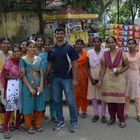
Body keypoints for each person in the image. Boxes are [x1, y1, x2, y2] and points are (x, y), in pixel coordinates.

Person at [46, 27, 78, 133]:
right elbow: (50, 64)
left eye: (61, 33)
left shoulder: (70, 48)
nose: (59, 35)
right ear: (55, 35)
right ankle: (60, 121)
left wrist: (75, 79)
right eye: (57, 33)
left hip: (68, 79)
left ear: (64, 35)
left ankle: (74, 122)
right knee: (57, 101)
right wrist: (46, 76)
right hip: (55, 79)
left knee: (70, 101)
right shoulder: (51, 49)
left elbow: (74, 64)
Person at [97, 36, 129, 128]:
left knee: (120, 101)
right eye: (109, 42)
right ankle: (112, 118)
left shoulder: (121, 53)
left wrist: (120, 71)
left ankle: (121, 119)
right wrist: (100, 80)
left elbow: (127, 66)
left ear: (116, 43)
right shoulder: (105, 54)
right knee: (110, 101)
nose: (111, 44)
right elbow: (103, 69)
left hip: (119, 79)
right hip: (108, 79)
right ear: (107, 44)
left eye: (112, 42)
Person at [20, 40, 45, 134]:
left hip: (38, 87)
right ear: (26, 48)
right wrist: (30, 88)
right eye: (30, 46)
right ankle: (29, 125)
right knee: (28, 107)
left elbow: (41, 73)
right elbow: (23, 75)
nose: (32, 48)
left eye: (34, 46)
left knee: (39, 106)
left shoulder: (38, 59)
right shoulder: (22, 60)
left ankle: (37, 124)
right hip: (27, 87)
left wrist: (41, 85)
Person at [1, 46, 22, 139]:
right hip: (12, 87)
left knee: (19, 107)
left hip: (21, 86)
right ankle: (5, 129)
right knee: (9, 108)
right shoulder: (9, 61)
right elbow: (4, 75)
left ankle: (17, 125)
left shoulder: (22, 61)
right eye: (15, 51)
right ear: (12, 52)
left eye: (18, 51)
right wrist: (15, 77)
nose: (17, 53)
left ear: (21, 52)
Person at [36, 36, 57, 122]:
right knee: (42, 98)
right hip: (42, 79)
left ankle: (53, 115)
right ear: (44, 46)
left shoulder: (54, 54)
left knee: (53, 97)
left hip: (53, 78)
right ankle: (41, 114)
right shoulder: (40, 55)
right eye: (46, 45)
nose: (47, 46)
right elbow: (38, 68)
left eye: (49, 44)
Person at [87, 37, 107, 123]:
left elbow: (105, 65)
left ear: (100, 43)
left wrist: (100, 79)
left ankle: (103, 114)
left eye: (98, 41)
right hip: (92, 74)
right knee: (93, 96)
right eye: (95, 41)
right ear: (93, 43)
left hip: (102, 75)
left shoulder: (105, 52)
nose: (96, 43)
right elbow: (87, 66)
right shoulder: (89, 52)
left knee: (103, 95)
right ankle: (96, 114)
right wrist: (91, 78)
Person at [124, 39, 140, 122]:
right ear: (127, 45)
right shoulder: (125, 54)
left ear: (135, 44)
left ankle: (138, 114)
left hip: (136, 75)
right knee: (127, 96)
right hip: (127, 75)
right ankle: (125, 113)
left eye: (132, 43)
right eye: (129, 43)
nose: (130, 45)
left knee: (137, 97)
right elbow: (123, 65)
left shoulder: (139, 54)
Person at [0, 38, 13, 132]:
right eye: (4, 43)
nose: (6, 45)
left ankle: (11, 121)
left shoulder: (12, 54)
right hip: (0, 82)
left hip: (11, 81)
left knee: (11, 101)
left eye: (8, 43)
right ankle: (2, 122)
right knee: (1, 102)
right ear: (1, 45)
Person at [74, 39, 88, 118]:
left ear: (83, 45)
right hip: (75, 75)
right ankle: (76, 109)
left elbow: (88, 66)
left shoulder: (86, 54)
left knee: (84, 94)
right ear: (75, 45)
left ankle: (84, 110)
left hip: (84, 76)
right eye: (77, 44)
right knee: (76, 94)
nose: (79, 46)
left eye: (80, 44)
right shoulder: (73, 54)